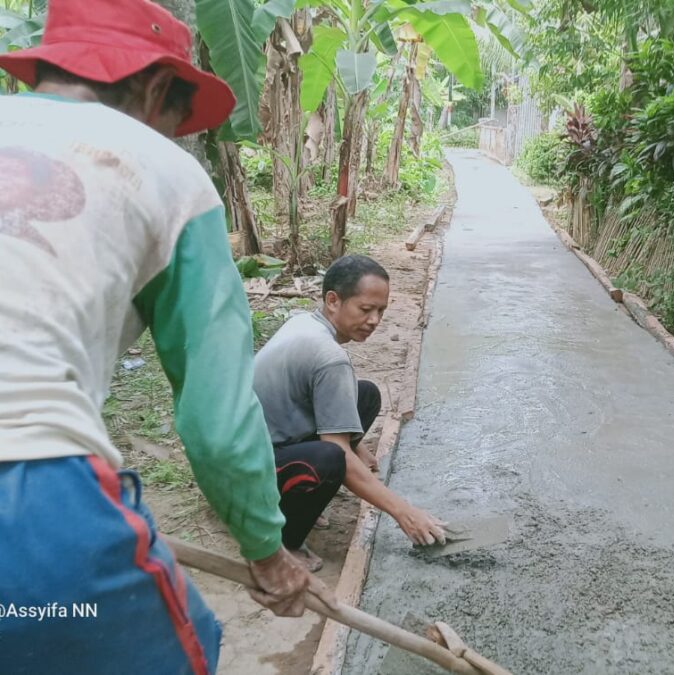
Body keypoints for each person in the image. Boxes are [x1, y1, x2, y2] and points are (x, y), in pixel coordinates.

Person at [0, 1, 322, 672]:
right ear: (152, 88)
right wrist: (267, 550)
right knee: (185, 648)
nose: (176, 136)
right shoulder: (166, 174)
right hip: (29, 495)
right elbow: (215, 419)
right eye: (180, 118)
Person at [254, 254, 446, 571]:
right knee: (331, 460)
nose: (374, 321)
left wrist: (357, 446)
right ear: (333, 300)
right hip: (247, 466)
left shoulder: (304, 322)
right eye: (365, 309)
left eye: (381, 311)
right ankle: (283, 543)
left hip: (266, 435)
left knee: (366, 394)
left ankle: (295, 496)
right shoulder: (330, 357)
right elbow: (338, 453)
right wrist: (404, 512)